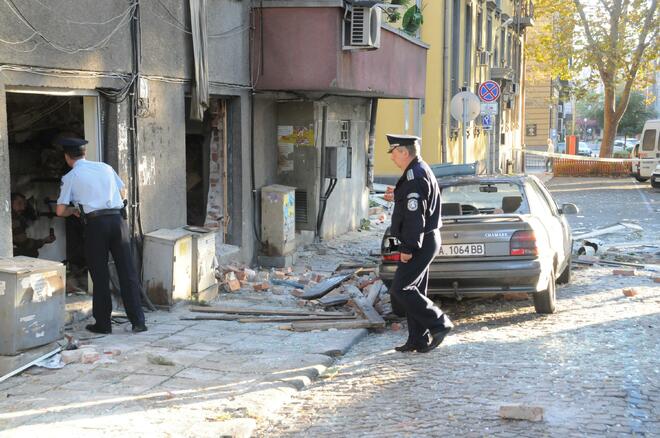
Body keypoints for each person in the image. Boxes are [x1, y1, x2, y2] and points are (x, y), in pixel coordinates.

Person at [55, 137, 147, 334]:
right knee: (127, 271)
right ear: (84, 153)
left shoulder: (70, 177)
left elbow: (60, 211)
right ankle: (138, 321)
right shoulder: (105, 167)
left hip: (95, 225)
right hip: (117, 221)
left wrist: (74, 210)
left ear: (67, 157)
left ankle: (103, 324)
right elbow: (122, 190)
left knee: (100, 274)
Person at [383, 134, 453, 353]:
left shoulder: (414, 176)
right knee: (415, 288)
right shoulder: (418, 170)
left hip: (420, 241)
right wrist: (397, 196)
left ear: (404, 152)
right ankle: (417, 339)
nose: (392, 158)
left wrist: (408, 248)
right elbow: (414, 204)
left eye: (393, 153)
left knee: (401, 289)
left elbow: (415, 217)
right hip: (426, 238)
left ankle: (439, 323)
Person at [11, 192, 56, 257]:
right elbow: (24, 243)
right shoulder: (13, 218)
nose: (23, 208)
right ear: (10, 202)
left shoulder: (14, 216)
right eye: (19, 203)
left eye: (24, 205)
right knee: (32, 252)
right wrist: (44, 241)